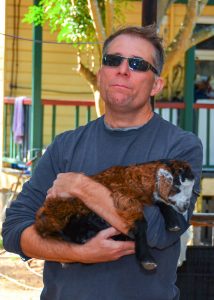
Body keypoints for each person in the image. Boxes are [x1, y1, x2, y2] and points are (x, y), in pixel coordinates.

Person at [2, 25, 203, 300]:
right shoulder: (65, 146)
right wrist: (79, 253)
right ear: (100, 74)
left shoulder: (181, 147)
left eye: (137, 64)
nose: (123, 69)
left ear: (157, 84)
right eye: (113, 60)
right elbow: (14, 230)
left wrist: (81, 186)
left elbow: (162, 231)